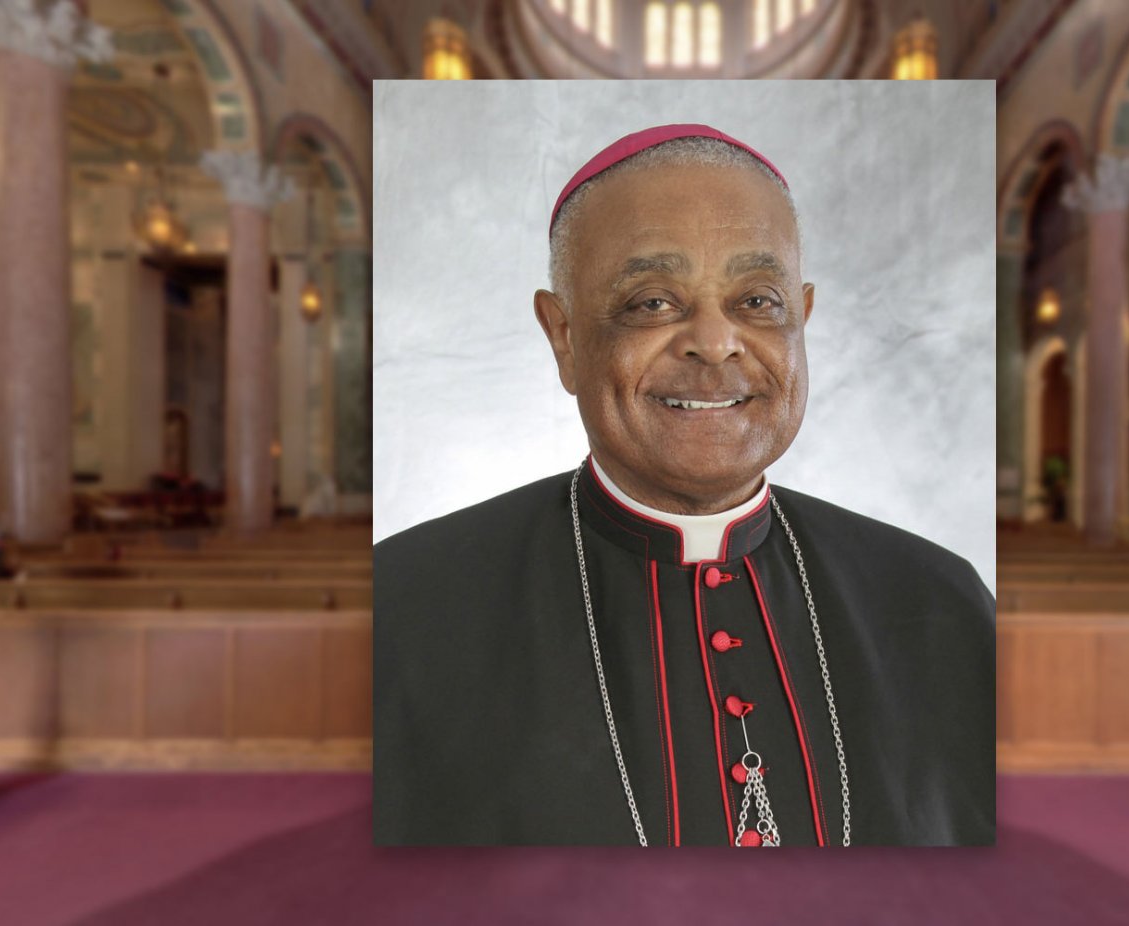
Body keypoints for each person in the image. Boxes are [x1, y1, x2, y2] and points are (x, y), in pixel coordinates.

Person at [374, 124, 994, 847]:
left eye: (758, 301)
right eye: (652, 303)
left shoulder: (940, 604)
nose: (715, 341)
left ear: (804, 322)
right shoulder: (404, 609)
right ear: (564, 339)